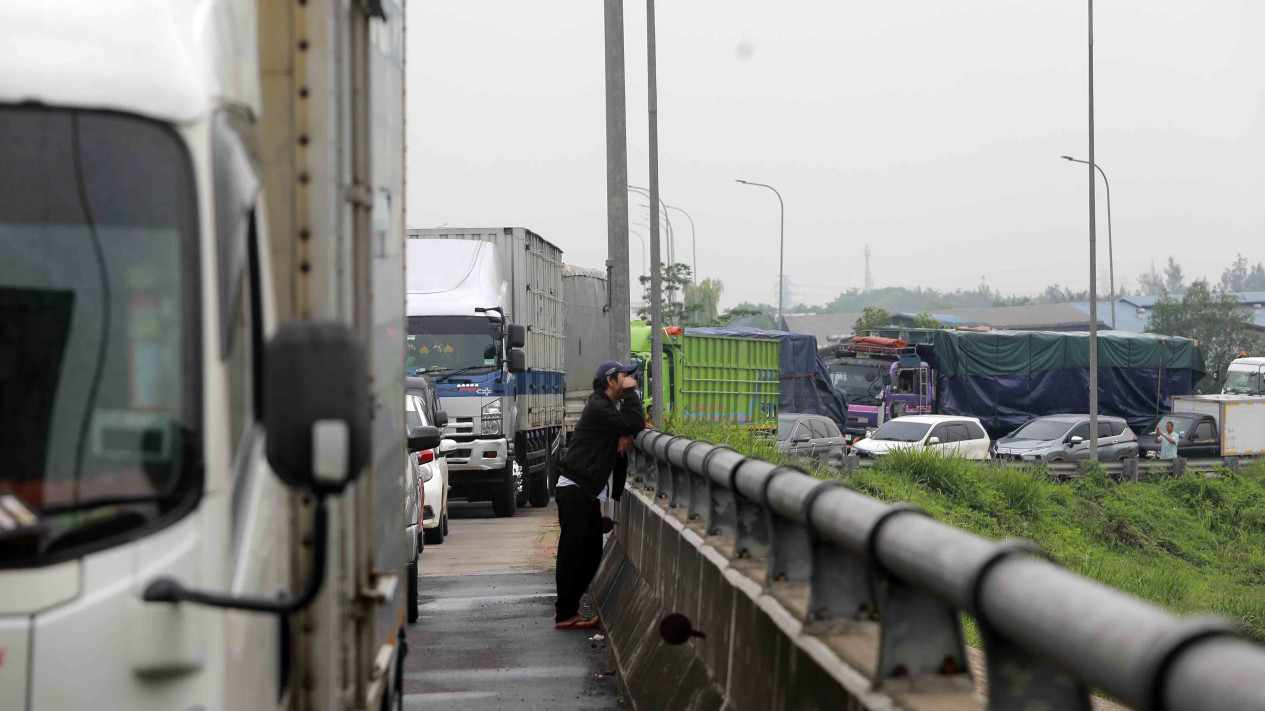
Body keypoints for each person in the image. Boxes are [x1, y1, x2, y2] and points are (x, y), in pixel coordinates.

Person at [552, 360, 645, 630]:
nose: (629, 379)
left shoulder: (606, 407)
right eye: (624, 377)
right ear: (611, 381)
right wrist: (629, 404)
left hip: (584, 491)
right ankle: (565, 613)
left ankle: (568, 609)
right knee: (573, 552)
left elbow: (629, 425)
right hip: (575, 489)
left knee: (591, 552)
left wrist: (624, 429)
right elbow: (636, 422)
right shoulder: (599, 406)